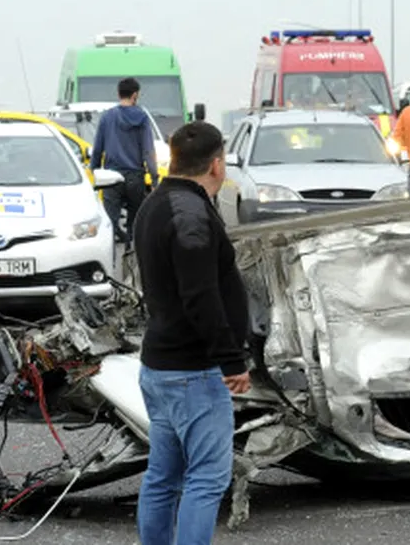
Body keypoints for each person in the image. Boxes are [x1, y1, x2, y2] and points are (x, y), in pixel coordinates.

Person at [132, 121, 250, 545]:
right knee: (206, 479)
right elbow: (200, 295)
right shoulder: (190, 213)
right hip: (193, 372)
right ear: (217, 164)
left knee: (163, 477)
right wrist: (231, 358)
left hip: (160, 366)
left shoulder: (154, 204)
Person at [89, 77, 159, 244]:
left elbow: (98, 148)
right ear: (135, 95)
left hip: (111, 179)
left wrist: (94, 171)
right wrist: (154, 177)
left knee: (110, 224)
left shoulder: (107, 118)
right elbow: (148, 150)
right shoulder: (142, 118)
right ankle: (132, 257)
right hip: (135, 177)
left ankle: (111, 262)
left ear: (118, 93)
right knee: (135, 224)